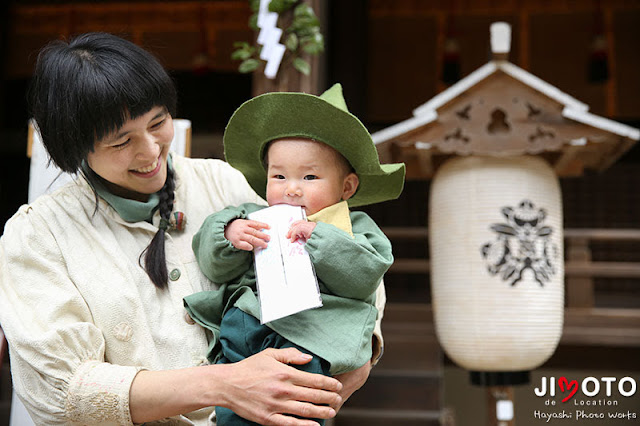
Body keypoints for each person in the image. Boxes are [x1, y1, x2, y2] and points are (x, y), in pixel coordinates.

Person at [0, 33, 382, 426]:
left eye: (158, 122)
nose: (150, 151)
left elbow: (348, 247)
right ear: (73, 147)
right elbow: (58, 391)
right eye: (121, 141)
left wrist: (358, 353)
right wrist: (224, 385)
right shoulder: (37, 236)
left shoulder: (224, 182)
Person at [183, 84, 406, 425]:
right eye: (279, 175)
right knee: (232, 402)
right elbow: (213, 264)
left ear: (346, 187)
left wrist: (322, 240)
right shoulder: (253, 216)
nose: (292, 187)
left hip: (311, 334)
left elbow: (365, 277)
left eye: (310, 176)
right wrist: (229, 235)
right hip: (246, 323)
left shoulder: (354, 227)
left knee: (290, 404)